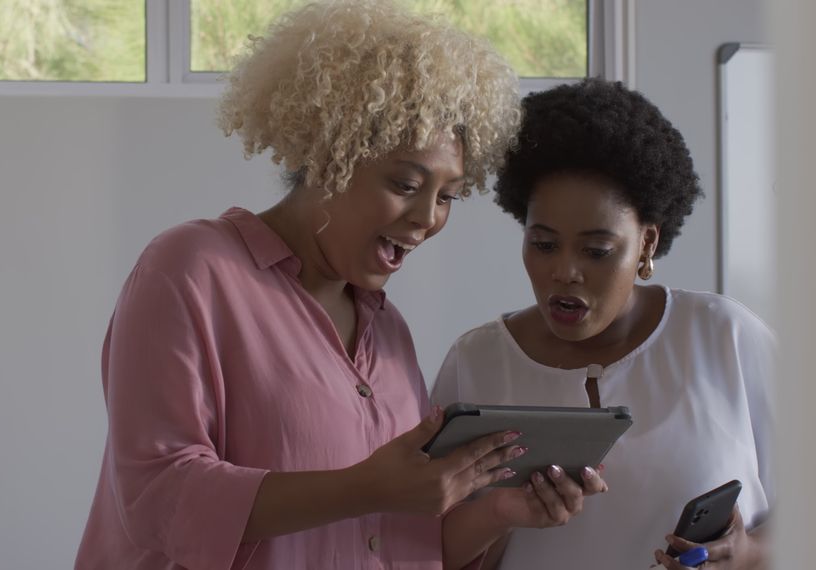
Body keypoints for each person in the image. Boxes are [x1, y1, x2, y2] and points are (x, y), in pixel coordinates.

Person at [74, 2, 609, 569]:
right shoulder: (192, 268)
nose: (428, 217)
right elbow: (158, 494)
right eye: (406, 183)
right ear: (331, 155)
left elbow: (394, 543)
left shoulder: (389, 334)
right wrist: (364, 487)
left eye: (448, 196)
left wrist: (501, 512)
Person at [432, 78, 774, 570]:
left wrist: (750, 553)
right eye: (544, 244)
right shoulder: (477, 362)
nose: (565, 271)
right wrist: (501, 514)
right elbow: (421, 550)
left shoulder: (724, 337)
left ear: (647, 243)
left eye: (597, 251)